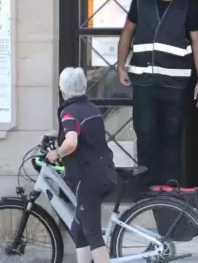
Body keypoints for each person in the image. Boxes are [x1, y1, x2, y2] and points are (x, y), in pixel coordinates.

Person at [117, 0, 198, 187]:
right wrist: (121, 65)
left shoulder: (188, 5)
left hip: (175, 84)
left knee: (172, 137)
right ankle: (147, 188)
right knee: (145, 135)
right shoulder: (141, 0)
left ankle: (169, 189)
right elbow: (127, 32)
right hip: (144, 82)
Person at [46, 67, 117, 263]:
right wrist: (57, 135)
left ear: (63, 90)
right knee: (79, 229)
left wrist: (56, 153)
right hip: (104, 172)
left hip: (88, 177)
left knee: (92, 233)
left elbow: (71, 143)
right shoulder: (91, 108)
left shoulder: (69, 112)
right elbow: (85, 134)